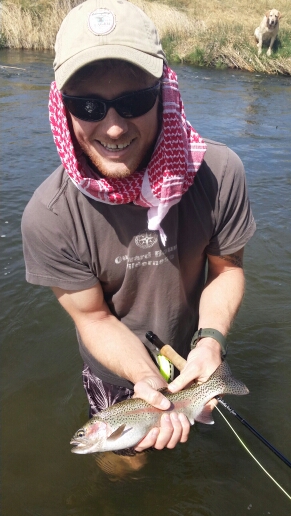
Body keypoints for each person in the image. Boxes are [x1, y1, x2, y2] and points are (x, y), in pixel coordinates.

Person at [22, 0, 256, 455]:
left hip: (194, 351)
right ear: (62, 108)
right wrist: (147, 381)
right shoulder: (49, 216)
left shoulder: (220, 171)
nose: (112, 128)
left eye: (133, 101)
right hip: (114, 367)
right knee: (123, 464)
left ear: (163, 93)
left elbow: (227, 269)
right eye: (88, 105)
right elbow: (92, 317)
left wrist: (210, 341)